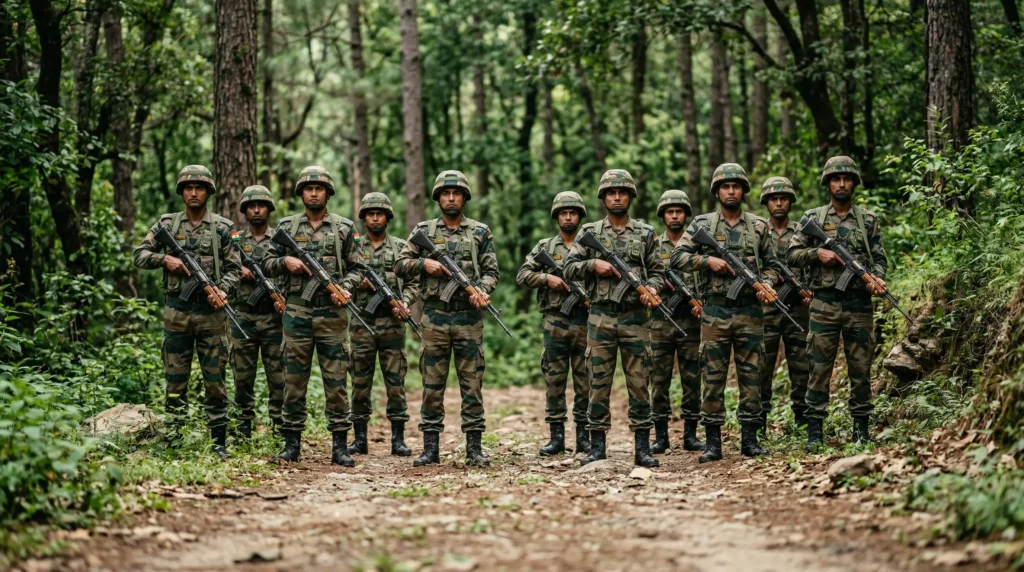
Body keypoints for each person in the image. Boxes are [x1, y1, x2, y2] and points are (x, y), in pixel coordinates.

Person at [671, 163, 780, 463]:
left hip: (749, 311)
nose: (731, 191)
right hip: (715, 311)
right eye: (725, 186)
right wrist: (708, 262)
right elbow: (677, 257)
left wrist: (766, 284)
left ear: (743, 191)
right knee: (713, 376)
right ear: (717, 191)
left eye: (736, 186)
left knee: (752, 376)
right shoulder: (703, 225)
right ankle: (713, 442)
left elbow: (773, 266)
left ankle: (750, 440)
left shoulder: (759, 226)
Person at [132, 165, 240, 459]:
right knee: (175, 381)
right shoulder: (167, 224)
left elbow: (235, 268)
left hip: (211, 315)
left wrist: (223, 290)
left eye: (199, 188)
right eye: (189, 188)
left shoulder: (222, 227)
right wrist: (164, 259)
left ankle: (218, 442)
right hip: (177, 313)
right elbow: (139, 255)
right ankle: (174, 440)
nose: (194, 193)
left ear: (208, 192)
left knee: (215, 381)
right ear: (182, 192)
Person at [263, 166, 366, 466]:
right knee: (293, 380)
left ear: (327, 192)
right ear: (301, 193)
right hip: (297, 311)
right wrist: (286, 261)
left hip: (332, 314)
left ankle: (339, 446)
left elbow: (359, 268)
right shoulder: (287, 227)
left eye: (319, 188)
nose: (313, 193)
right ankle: (291, 444)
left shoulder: (344, 228)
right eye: (308, 189)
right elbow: (266, 262)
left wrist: (345, 287)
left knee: (336, 380)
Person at [394, 170, 499, 467]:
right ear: (438, 198)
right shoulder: (424, 230)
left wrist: (482, 290)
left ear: (464, 198)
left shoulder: (480, 232)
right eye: (445, 193)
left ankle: (474, 448)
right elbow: (400, 264)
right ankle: (430, 448)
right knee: (432, 384)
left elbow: (492, 272)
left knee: (472, 383)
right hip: (434, 318)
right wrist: (424, 264)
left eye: (456, 194)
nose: (451, 198)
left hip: (468, 318)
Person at [786, 156, 889, 451]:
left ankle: (861, 430)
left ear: (854, 183)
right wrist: (817, 254)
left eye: (846, 179)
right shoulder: (813, 218)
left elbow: (880, 259)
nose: (841, 184)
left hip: (859, 305)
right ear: (828, 184)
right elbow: (792, 254)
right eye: (835, 179)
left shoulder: (867, 219)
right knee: (818, 369)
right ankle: (814, 432)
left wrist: (876, 278)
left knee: (861, 369)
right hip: (824, 304)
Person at [563, 169, 664, 468]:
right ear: (603, 198)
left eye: (622, 192)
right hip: (600, 317)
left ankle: (643, 448)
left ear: (630, 196)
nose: (617, 197)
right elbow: (569, 268)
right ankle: (597, 447)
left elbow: (658, 271)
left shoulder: (646, 232)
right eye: (611, 193)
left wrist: (652, 288)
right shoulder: (590, 232)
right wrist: (593, 264)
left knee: (639, 381)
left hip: (636, 317)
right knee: (598, 382)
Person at [516, 191, 591, 456]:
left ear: (580, 216)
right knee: (554, 380)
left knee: (586, 380)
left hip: (585, 321)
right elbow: (523, 274)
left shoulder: (590, 246)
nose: (568, 217)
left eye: (573, 213)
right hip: (555, 321)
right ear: (556, 217)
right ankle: (556, 438)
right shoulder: (545, 247)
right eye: (563, 213)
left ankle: (584, 437)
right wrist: (546, 279)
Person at [347, 192, 418, 457]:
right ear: (364, 218)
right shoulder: (353, 248)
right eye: (370, 214)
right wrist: (359, 283)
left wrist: (405, 301)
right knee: (359, 383)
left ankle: (398, 440)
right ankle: (360, 439)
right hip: (361, 323)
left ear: (387, 217)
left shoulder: (401, 248)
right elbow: (341, 279)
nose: (375, 218)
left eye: (380, 214)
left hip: (392, 325)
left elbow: (413, 282)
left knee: (395, 383)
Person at [648, 190, 704, 455]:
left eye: (678, 211)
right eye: (669, 212)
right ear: (663, 215)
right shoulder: (653, 246)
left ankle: (691, 435)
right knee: (659, 380)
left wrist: (700, 301)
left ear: (685, 215)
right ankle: (661, 436)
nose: (674, 216)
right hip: (660, 322)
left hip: (691, 322)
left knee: (692, 378)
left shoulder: (697, 244)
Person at [230, 185, 286, 438]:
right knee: (242, 376)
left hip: (274, 318)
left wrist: (281, 296)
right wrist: (238, 270)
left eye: (261, 205)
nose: (256, 210)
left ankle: (279, 429)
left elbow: (289, 271)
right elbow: (219, 269)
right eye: (251, 206)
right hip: (243, 315)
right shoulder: (235, 241)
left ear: (268, 209)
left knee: (278, 376)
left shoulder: (280, 239)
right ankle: (243, 428)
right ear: (244, 210)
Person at [757, 177, 811, 433]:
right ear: (766, 203)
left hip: (798, 308)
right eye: (773, 199)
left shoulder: (803, 231)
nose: (779, 203)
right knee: (761, 366)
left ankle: (802, 417)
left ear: (790, 202)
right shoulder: (757, 231)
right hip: (765, 309)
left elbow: (811, 263)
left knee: (801, 365)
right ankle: (759, 420)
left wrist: (808, 289)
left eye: (783, 198)